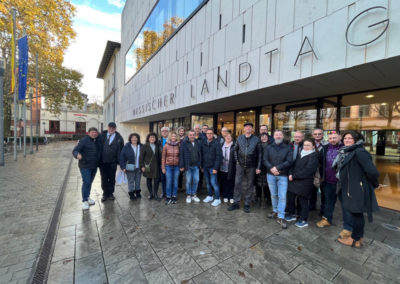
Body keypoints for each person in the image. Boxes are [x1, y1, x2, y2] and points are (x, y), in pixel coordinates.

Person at [333, 131, 380, 248]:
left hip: (356, 188)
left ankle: (356, 239)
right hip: (349, 187)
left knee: (356, 214)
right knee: (355, 213)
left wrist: (373, 184)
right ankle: (358, 237)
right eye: (345, 138)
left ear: (356, 139)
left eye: (350, 138)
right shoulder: (349, 151)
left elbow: (372, 171)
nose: (347, 140)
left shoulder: (359, 152)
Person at [228, 122, 262, 213]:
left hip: (252, 166)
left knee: (250, 185)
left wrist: (258, 166)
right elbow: (235, 150)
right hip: (240, 165)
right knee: (237, 183)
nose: (248, 128)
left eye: (250, 127)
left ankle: (247, 203)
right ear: (244, 129)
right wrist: (237, 161)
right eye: (246, 127)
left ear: (252, 129)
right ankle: (236, 203)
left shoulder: (256, 139)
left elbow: (260, 154)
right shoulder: (239, 138)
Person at [286, 139, 319, 228]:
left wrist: (294, 176)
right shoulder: (300, 153)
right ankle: (292, 214)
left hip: (305, 182)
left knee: (303, 201)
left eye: (308, 145)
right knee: (291, 197)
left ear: (313, 146)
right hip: (294, 180)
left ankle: (304, 219)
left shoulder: (314, 156)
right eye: (304, 145)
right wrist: (290, 173)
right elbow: (293, 165)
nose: (306, 147)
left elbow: (308, 171)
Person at [316, 132, 347, 228]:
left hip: (342, 182)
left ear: (340, 138)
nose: (332, 140)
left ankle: (348, 224)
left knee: (345, 204)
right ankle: (327, 219)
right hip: (328, 181)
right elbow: (318, 160)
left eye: (334, 138)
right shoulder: (325, 149)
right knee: (328, 202)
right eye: (330, 138)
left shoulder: (346, 149)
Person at [263, 130, 293, 229]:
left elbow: (289, 161)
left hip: (283, 175)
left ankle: (281, 216)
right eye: (276, 134)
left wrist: (277, 168)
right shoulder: (268, 147)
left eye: (280, 135)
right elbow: (265, 160)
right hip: (270, 174)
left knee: (282, 196)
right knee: (273, 194)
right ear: (274, 136)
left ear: (283, 136)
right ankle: (275, 210)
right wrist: (272, 168)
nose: (278, 136)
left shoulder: (288, 148)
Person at [72, 127, 101, 210]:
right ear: (88, 133)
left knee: (89, 182)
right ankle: (84, 201)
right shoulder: (83, 140)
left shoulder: (97, 141)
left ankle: (87, 197)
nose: (94, 133)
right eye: (92, 132)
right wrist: (77, 154)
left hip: (94, 166)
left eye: (95, 132)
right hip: (85, 166)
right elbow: (75, 150)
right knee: (86, 182)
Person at [99, 122, 124, 202]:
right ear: (108, 127)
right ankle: (105, 194)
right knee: (104, 178)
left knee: (112, 178)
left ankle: (111, 193)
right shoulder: (101, 136)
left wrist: (121, 162)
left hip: (113, 162)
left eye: (113, 127)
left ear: (115, 128)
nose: (111, 129)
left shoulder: (119, 138)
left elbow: (122, 150)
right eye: (110, 127)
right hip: (102, 162)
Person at [201, 128, 222, 206]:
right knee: (208, 183)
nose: (209, 134)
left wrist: (215, 168)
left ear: (213, 134)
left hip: (213, 167)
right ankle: (210, 196)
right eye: (208, 133)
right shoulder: (204, 143)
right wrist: (202, 166)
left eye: (210, 133)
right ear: (206, 134)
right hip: (205, 167)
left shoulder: (216, 143)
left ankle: (217, 198)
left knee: (214, 183)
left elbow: (219, 157)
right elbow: (202, 155)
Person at [179, 130, 202, 203]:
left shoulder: (198, 142)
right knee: (188, 181)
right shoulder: (184, 143)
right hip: (188, 166)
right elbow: (181, 155)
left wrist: (200, 164)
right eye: (190, 135)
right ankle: (188, 195)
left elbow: (200, 154)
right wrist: (182, 165)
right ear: (188, 136)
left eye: (193, 135)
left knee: (196, 180)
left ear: (195, 135)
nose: (192, 136)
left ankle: (194, 194)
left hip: (196, 166)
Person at [119, 133, 142, 200]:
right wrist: (123, 167)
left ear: (138, 139)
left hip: (139, 167)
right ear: (130, 139)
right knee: (131, 181)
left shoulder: (141, 146)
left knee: (138, 180)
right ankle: (131, 193)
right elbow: (122, 157)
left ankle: (138, 192)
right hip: (130, 167)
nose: (134, 139)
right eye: (133, 137)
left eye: (136, 137)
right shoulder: (126, 147)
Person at [310, 128, 328, 212]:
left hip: (322, 171)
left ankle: (323, 209)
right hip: (312, 171)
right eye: (315, 134)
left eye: (319, 134)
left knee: (324, 191)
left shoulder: (327, 145)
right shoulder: (309, 144)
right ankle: (312, 205)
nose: (317, 135)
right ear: (312, 135)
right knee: (312, 189)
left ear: (322, 135)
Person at [140, 133, 162, 201]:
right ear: (148, 138)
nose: (152, 138)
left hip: (156, 166)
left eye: (154, 137)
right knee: (149, 179)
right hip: (147, 166)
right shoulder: (144, 146)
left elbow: (159, 156)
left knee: (156, 180)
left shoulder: (157, 145)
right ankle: (151, 194)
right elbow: (141, 157)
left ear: (155, 139)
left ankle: (155, 194)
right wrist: (142, 166)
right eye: (151, 137)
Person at [162, 131, 180, 204]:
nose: (173, 137)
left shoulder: (179, 145)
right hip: (168, 166)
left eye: (175, 136)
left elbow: (180, 156)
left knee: (175, 182)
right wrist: (163, 167)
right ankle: (168, 196)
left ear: (176, 137)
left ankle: (174, 195)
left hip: (177, 166)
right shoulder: (166, 145)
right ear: (170, 137)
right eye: (172, 136)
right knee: (169, 182)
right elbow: (163, 157)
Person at [219, 132, 236, 203]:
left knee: (231, 182)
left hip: (231, 167)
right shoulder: (221, 145)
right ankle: (225, 195)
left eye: (229, 136)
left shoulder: (234, 145)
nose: (228, 137)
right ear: (224, 138)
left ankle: (231, 196)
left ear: (232, 138)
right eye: (226, 136)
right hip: (222, 166)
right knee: (224, 182)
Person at [256, 133, 271, 207]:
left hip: (267, 167)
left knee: (266, 184)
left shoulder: (270, 146)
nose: (264, 138)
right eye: (262, 137)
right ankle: (258, 198)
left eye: (266, 137)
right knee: (258, 184)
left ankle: (266, 199)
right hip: (258, 167)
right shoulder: (258, 145)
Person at [159, 126, 169, 198]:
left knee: (169, 178)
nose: (165, 132)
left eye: (166, 131)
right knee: (163, 179)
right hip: (161, 162)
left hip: (170, 162)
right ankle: (164, 192)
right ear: (161, 132)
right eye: (163, 131)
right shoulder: (158, 141)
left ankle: (169, 192)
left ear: (168, 132)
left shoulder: (172, 140)